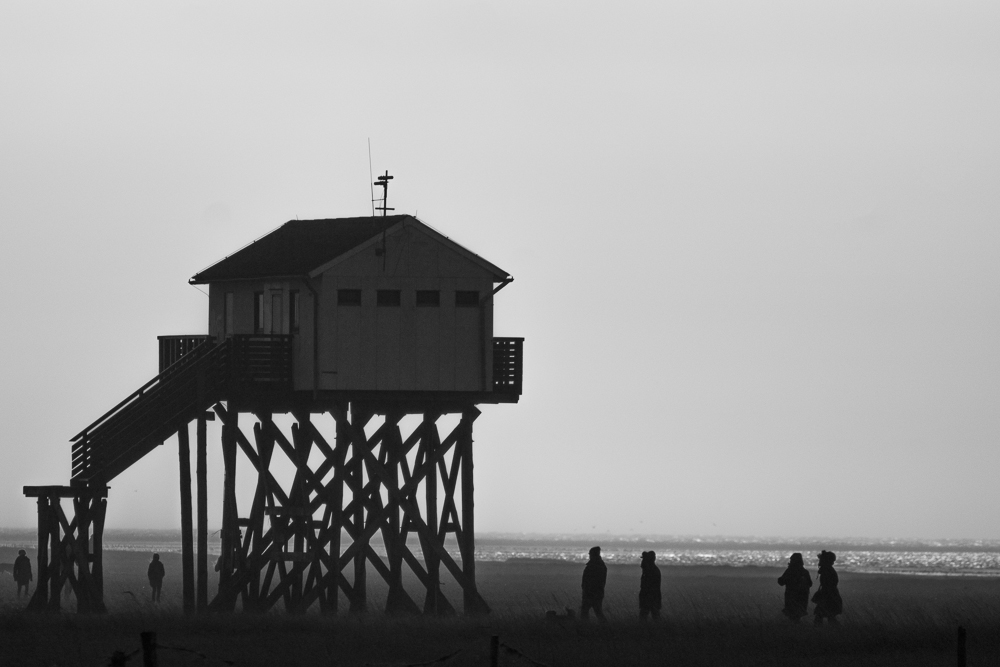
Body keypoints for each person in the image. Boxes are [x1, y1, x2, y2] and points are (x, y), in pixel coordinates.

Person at [777, 552, 812, 622]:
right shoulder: (804, 572)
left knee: (792, 615)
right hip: (802, 597)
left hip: (791, 596)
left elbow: (781, 582)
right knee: (797, 616)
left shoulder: (790, 571)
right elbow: (810, 584)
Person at [812, 550, 843, 625]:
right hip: (830, 595)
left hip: (827, 595)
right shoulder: (829, 570)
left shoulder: (827, 570)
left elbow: (828, 584)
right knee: (829, 616)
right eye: (832, 560)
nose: (833, 562)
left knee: (822, 616)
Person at [581, 546, 608, 621]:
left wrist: (587, 591)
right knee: (597, 611)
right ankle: (605, 627)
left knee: (585, 611)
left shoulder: (594, 566)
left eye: (590, 554)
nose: (589, 556)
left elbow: (591, 581)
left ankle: (585, 627)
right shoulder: (600, 565)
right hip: (596, 593)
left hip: (591, 593)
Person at [638, 551, 661, 620]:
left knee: (645, 617)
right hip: (652, 598)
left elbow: (648, 587)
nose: (642, 561)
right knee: (654, 617)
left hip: (650, 598)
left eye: (644, 559)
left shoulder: (651, 571)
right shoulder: (651, 570)